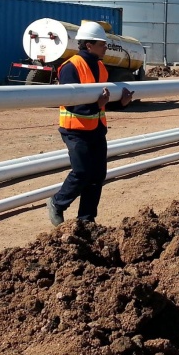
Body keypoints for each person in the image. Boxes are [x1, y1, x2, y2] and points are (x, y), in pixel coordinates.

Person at [46, 21, 133, 226]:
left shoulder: (101, 67)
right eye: (102, 44)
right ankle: (57, 203)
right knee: (82, 172)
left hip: (96, 129)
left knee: (97, 175)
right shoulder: (70, 67)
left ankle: (86, 220)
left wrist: (122, 103)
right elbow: (70, 103)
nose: (106, 47)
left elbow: (104, 100)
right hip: (75, 130)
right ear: (88, 45)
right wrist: (97, 106)